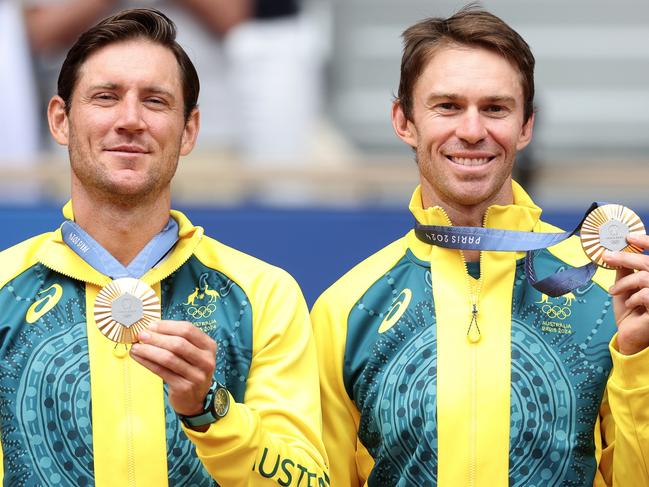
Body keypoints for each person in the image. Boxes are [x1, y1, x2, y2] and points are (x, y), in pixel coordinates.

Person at [310, 6, 649, 486]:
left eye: (495, 108)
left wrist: (641, 363)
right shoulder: (345, 310)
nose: (472, 131)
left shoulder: (606, 291)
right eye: (447, 106)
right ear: (403, 121)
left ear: (526, 126)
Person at [0, 8, 328, 486]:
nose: (130, 120)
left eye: (155, 101)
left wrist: (210, 412)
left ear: (189, 129)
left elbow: (308, 482)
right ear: (60, 120)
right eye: (106, 97)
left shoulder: (264, 295)